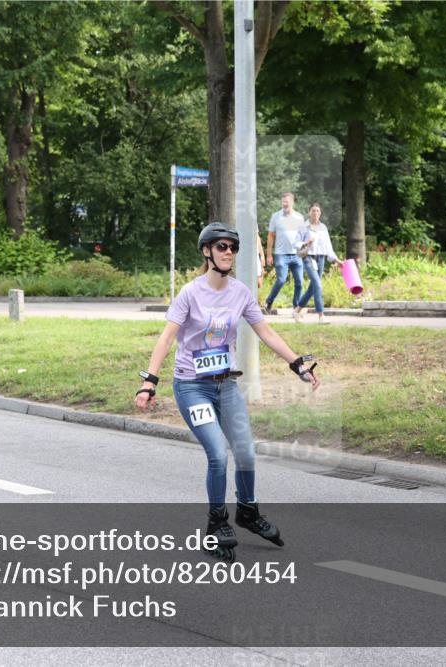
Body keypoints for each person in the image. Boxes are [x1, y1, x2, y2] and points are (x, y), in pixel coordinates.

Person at [135, 222, 320, 559]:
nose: (229, 252)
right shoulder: (190, 293)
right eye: (221, 246)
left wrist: (297, 364)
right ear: (207, 251)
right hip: (192, 387)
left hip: (227, 386)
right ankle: (216, 524)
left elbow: (266, 332)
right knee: (219, 453)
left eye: (233, 247)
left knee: (246, 451)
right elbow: (166, 338)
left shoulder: (240, 293)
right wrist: (150, 382)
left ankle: (247, 511)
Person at [292, 203, 344, 324]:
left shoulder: (323, 228)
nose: (315, 213)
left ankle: (297, 311)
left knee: (312, 288)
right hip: (308, 257)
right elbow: (295, 243)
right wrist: (306, 242)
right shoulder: (303, 226)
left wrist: (338, 261)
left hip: (320, 258)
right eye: (313, 210)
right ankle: (321, 316)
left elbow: (328, 247)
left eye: (317, 211)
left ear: (320, 213)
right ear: (309, 212)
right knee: (317, 284)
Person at [263, 192, 306, 315]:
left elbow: (303, 236)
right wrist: (269, 255)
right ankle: (269, 302)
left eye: (287, 202)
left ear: (292, 202)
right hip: (281, 254)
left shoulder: (299, 218)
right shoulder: (276, 217)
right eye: (283, 202)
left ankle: (296, 308)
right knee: (281, 280)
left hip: (296, 255)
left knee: (300, 282)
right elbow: (271, 235)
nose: (284, 204)